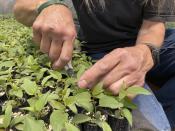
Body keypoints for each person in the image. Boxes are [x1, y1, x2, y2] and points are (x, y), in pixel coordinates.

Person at [14, 0, 175, 130]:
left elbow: (153, 24)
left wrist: (144, 52)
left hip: (144, 43)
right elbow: (21, 7)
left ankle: (160, 107)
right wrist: (48, 6)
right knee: (148, 124)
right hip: (100, 47)